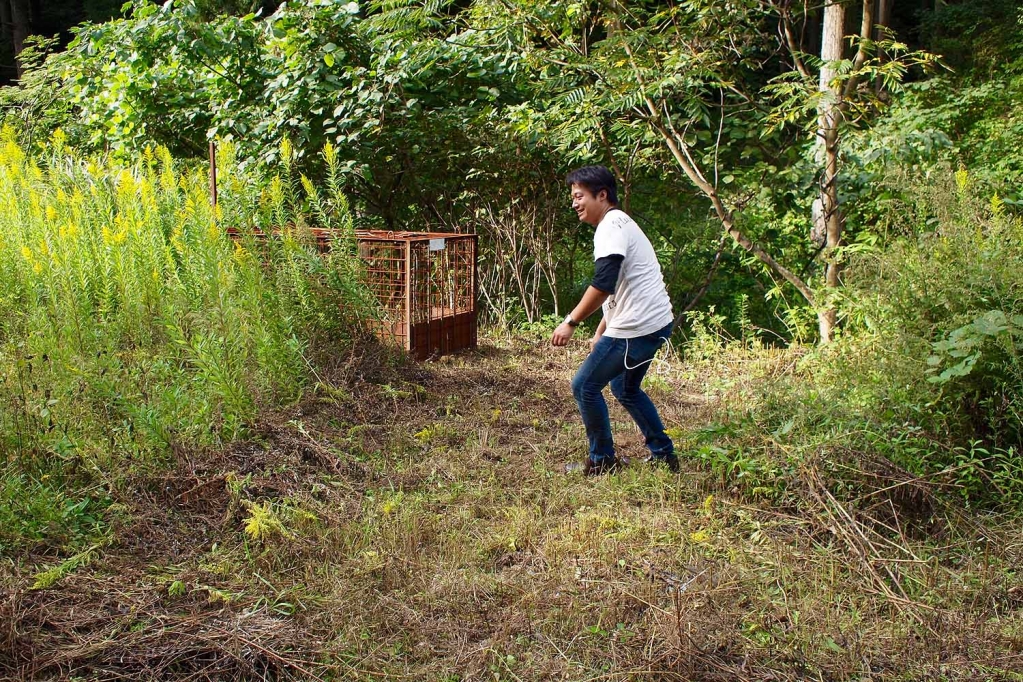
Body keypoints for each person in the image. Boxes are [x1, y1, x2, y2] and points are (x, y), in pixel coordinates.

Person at [551, 165, 677, 475]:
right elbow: (621, 286)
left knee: (584, 386)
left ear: (602, 195)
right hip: (657, 321)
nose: (574, 203)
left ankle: (602, 460)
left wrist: (571, 321)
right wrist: (601, 329)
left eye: (579, 196)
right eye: (573, 197)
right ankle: (664, 455)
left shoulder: (611, 227)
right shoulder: (619, 224)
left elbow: (604, 283)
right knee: (625, 388)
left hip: (637, 328)